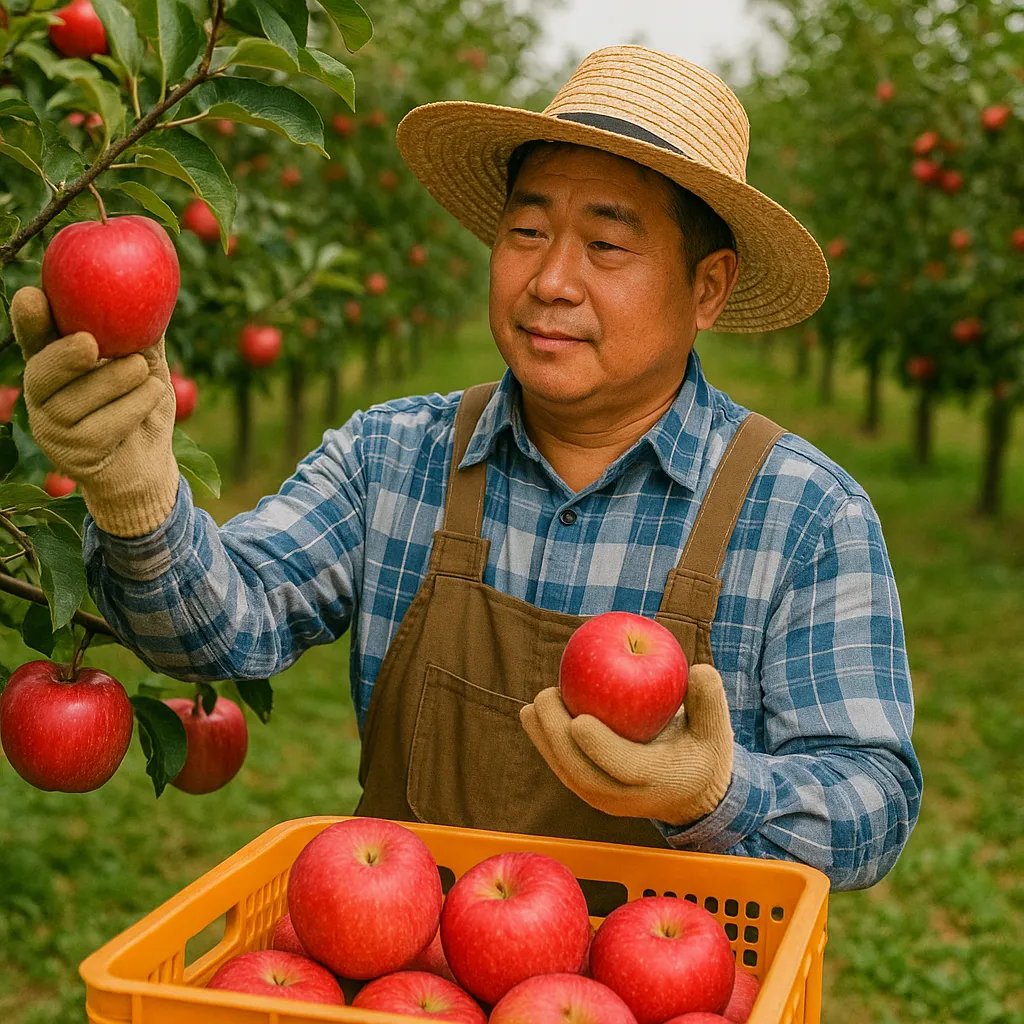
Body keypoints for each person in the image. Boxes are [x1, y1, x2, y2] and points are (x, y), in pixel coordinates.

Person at [11, 46, 921, 891]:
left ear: (708, 288)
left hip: (666, 991)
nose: (551, 279)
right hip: (408, 971)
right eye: (527, 231)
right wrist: (135, 498)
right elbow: (225, 634)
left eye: (606, 245)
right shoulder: (395, 457)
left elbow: (874, 802)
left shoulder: (801, 512)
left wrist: (714, 790)